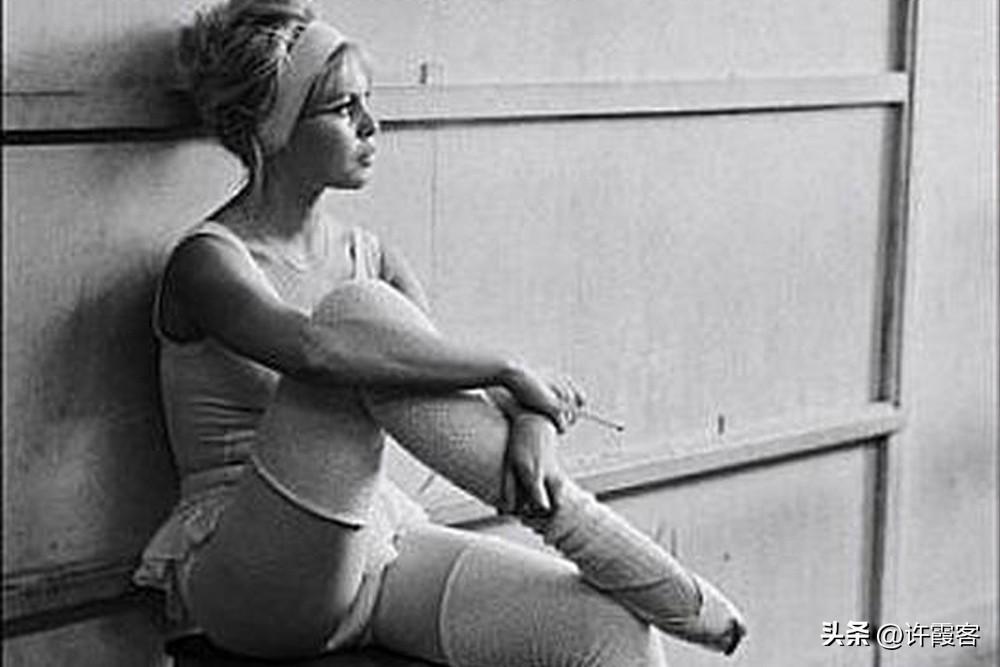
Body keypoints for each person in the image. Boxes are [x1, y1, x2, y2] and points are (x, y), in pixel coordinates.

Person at [134, 1, 747, 665]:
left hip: (374, 548)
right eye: (343, 109)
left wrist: (533, 418)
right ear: (272, 129)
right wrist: (509, 367)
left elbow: (445, 393)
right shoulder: (209, 261)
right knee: (356, 314)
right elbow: (317, 352)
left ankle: (580, 530)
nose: (371, 125)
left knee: (608, 631)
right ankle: (591, 533)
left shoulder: (371, 254)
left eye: (369, 102)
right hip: (253, 577)